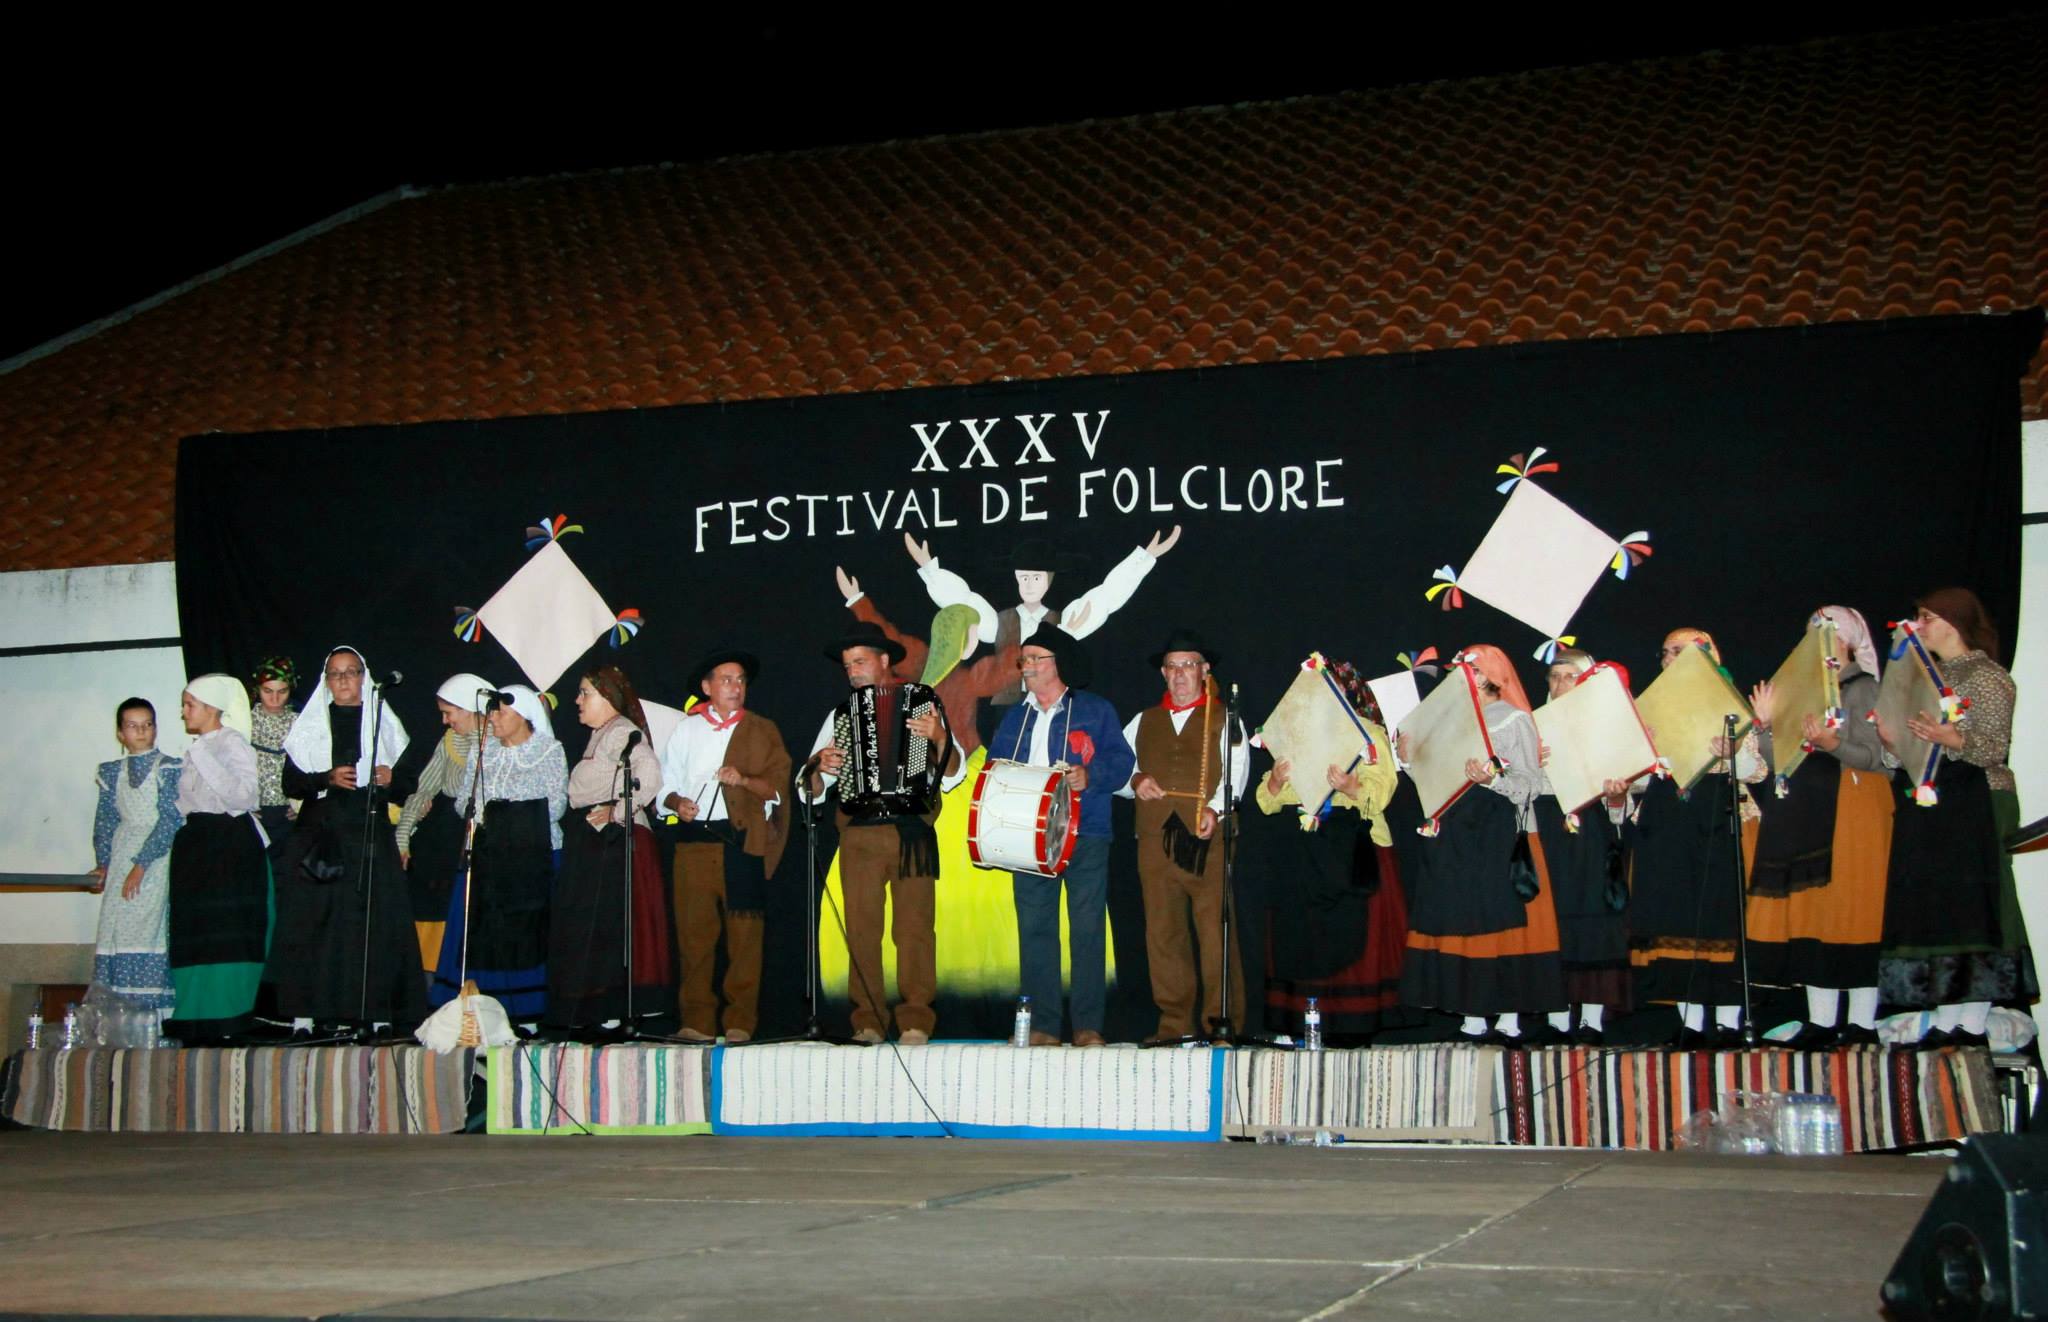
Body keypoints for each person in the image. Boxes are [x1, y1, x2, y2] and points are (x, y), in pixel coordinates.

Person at [804, 620, 965, 1044]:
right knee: (860, 930)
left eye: (859, 662)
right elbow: (812, 789)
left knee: (914, 929)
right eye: (846, 665)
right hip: (858, 834)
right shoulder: (839, 716)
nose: (852, 671)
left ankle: (915, 1019)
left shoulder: (922, 703)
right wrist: (819, 768)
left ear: (884, 661)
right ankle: (868, 1021)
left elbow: (954, 773)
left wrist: (938, 735)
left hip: (910, 831)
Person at [1397, 645, 1567, 1043]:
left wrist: (1492, 780)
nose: (1463, 675)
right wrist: (1408, 759)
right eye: (1461, 670)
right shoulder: (1447, 719)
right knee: (1463, 919)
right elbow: (1432, 775)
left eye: (1470, 669)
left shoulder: (1512, 719)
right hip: (1458, 833)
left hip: (1499, 831)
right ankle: (1471, 1014)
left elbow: (1533, 783)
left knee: (1502, 920)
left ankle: (1509, 1016)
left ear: (1491, 675)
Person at [1875, 588, 2022, 1047]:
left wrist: (1950, 738)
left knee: (1973, 909)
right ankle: (1944, 1019)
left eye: (1926, 617)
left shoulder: (1987, 676)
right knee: (1938, 912)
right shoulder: (1923, 676)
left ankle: (1973, 1025)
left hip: (1976, 799)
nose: (1918, 627)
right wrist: (1891, 738)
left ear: (1954, 622)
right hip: (1934, 801)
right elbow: (1904, 755)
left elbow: (1993, 748)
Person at [1746, 608, 1894, 1047]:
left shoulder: (1864, 687)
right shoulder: (1802, 690)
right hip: (1810, 814)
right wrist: (1768, 726)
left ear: (1847, 639)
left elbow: (1878, 759)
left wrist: (1834, 744)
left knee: (1856, 912)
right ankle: (1822, 1021)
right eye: (1812, 631)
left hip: (1853, 811)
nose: (1818, 639)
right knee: (1817, 913)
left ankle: (1863, 1023)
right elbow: (1777, 760)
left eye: (1827, 632)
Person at [987, 625, 1134, 1046]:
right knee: (1035, 930)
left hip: (1085, 832)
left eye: (1035, 659)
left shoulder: (1095, 710)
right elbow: (996, 770)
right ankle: (1044, 1026)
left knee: (1087, 928)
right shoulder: (1015, 717)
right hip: (1026, 840)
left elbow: (1122, 764)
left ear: (1058, 665)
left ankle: (1088, 1026)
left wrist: (1090, 775)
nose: (1026, 667)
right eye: (1024, 660)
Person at [1624, 628, 1768, 1046]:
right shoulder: (1648, 708)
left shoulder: (1729, 701)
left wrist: (1731, 752)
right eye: (1666, 651)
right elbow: (1631, 773)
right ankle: (1690, 1020)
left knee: (1718, 914)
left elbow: (1756, 769)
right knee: (1675, 915)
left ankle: (1726, 1020)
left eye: (1680, 651)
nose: (1670, 658)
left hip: (1715, 815)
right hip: (1668, 816)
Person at [270, 647, 424, 1033]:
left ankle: (374, 1012)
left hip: (368, 833)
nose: (342, 680)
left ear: (363, 678)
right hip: (320, 835)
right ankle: (311, 1013)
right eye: (334, 674)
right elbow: (290, 782)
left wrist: (390, 779)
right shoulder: (309, 726)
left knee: (373, 926)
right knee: (316, 926)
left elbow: (409, 783)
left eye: (350, 672)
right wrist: (325, 778)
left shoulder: (383, 723)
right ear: (326, 680)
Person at [1250, 659, 1404, 1042]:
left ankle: (1350, 1025)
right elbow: (1266, 802)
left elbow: (1382, 792)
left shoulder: (1368, 735)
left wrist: (1353, 787)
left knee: (1350, 935)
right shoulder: (1299, 734)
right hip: (1304, 852)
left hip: (1352, 848)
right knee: (1299, 935)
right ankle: (1298, 1023)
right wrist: (1276, 781)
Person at [907, 529, 1181, 743]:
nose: (1029, 584)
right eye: (1024, 577)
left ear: (1048, 580)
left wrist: (1143, 558)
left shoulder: (1063, 623)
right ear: (1016, 578)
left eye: (1036, 578)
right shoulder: (999, 621)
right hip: (1006, 714)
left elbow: (1104, 598)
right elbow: (964, 598)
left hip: (1053, 713)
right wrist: (930, 569)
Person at [1119, 628, 1252, 1042]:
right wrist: (1135, 779)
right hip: (1154, 841)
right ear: (1163, 673)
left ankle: (1221, 1023)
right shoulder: (1143, 720)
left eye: (1188, 666)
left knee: (1215, 933)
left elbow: (1238, 771)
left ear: (1204, 670)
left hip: (1206, 839)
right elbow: (1116, 769)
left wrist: (1215, 808)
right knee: (1163, 933)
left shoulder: (1224, 716)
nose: (1180, 675)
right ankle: (1174, 1024)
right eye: (1173, 667)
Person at [659, 649, 791, 1044]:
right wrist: (676, 804)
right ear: (707, 687)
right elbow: (665, 785)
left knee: (745, 939)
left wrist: (744, 781)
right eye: (726, 679)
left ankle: (740, 1022)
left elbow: (779, 790)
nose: (735, 687)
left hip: (742, 844)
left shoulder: (762, 730)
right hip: (694, 844)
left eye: (740, 680)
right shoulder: (687, 730)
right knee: (694, 937)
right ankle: (697, 1022)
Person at [545, 664, 672, 1036]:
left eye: (585, 692)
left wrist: (617, 811)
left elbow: (648, 777)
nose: (577, 700)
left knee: (611, 927)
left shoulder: (623, 732)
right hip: (596, 841)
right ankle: (600, 1011)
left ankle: (615, 1011)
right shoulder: (604, 734)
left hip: (615, 843)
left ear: (608, 697)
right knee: (596, 928)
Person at [433, 684, 564, 1023]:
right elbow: (464, 800)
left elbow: (556, 805)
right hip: (489, 858)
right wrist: (488, 812)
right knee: (487, 939)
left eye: (500, 712)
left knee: (525, 938)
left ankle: (528, 1014)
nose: (492, 718)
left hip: (530, 860)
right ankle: (482, 1015)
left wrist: (501, 812)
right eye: (491, 712)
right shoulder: (484, 750)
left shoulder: (550, 751)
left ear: (523, 715)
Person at [1533, 650, 1634, 1043]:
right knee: (1552, 921)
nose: (1560, 685)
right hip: (1549, 832)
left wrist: (1615, 795)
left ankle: (1592, 1018)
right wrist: (1532, 765)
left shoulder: (1608, 728)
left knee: (1594, 920)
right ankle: (1558, 1019)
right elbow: (1520, 791)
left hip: (1591, 833)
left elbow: (1626, 797)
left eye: (1569, 676)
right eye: (1554, 677)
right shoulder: (1534, 727)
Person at [166, 675, 268, 1042]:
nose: (184, 711)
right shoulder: (195, 748)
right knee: (196, 933)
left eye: (190, 704)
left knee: (226, 931)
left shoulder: (231, 743)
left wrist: (204, 756)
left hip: (228, 847)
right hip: (197, 847)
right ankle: (197, 1014)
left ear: (212, 709)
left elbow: (243, 797)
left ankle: (230, 1014)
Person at [87, 698, 181, 1016]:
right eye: (133, 725)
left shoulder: (168, 767)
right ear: (120, 733)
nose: (141, 731)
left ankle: (151, 1015)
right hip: (122, 851)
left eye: (147, 724)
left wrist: (142, 864)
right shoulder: (112, 772)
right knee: (116, 926)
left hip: (157, 856)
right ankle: (117, 1015)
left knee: (148, 926)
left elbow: (170, 819)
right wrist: (103, 862)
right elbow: (105, 821)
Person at [397, 673, 496, 971]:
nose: (444, 721)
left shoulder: (500, 740)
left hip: (487, 843)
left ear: (468, 708)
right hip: (448, 841)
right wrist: (402, 838)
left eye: (448, 713)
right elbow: (423, 788)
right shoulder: (451, 740)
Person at [248, 656, 298, 878]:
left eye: (282, 691)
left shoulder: (301, 723)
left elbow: (316, 765)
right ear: (258, 689)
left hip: (289, 814)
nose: (275, 699)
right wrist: (243, 805)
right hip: (255, 813)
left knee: (288, 876)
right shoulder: (243, 722)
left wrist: (302, 804)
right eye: (268, 691)